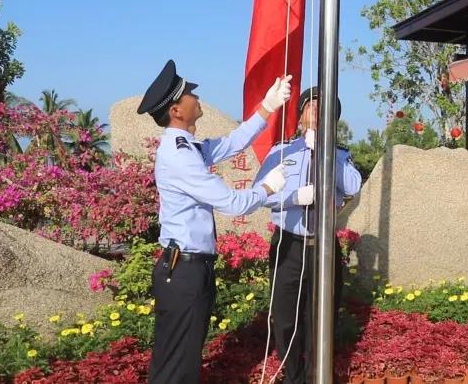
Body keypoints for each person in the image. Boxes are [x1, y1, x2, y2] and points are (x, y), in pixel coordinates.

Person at [137, 59, 292, 384]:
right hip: (184, 269)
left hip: (190, 268)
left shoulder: (187, 147)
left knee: (183, 360)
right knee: (177, 366)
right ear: (177, 110)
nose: (197, 96)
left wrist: (267, 106)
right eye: (189, 93)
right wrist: (268, 188)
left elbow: (232, 143)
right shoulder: (179, 155)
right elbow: (230, 202)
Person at [253, 86, 362, 384]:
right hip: (289, 244)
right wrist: (292, 198)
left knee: (322, 318)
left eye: (323, 108)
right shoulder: (281, 152)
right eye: (310, 106)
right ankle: (293, 377)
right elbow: (258, 194)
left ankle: (317, 376)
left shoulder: (340, 155)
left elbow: (352, 187)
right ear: (300, 116)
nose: (316, 111)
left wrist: (324, 151)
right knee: (285, 317)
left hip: (324, 245)